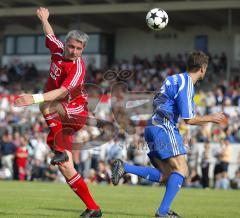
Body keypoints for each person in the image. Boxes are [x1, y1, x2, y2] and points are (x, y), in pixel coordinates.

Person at [111, 51, 226, 217]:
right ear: (203, 68)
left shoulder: (172, 78)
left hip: (152, 127)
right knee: (182, 168)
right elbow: (189, 119)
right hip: (164, 127)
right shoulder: (187, 84)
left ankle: (124, 167)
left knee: (166, 174)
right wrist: (211, 118)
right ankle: (162, 212)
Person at [14, 7, 102, 218]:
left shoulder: (78, 68)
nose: (73, 51)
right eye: (71, 46)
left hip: (76, 111)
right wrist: (45, 18)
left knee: (46, 103)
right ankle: (93, 208)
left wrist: (32, 98)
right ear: (66, 44)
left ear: (83, 50)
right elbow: (50, 35)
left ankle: (60, 148)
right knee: (65, 167)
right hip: (64, 117)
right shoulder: (57, 49)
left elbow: (62, 92)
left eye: (79, 49)